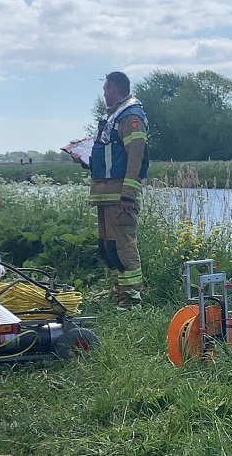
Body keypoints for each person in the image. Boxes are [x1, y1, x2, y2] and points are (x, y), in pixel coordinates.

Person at [72, 71, 149, 310]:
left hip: (119, 194)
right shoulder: (112, 117)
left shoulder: (131, 116)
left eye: (106, 89)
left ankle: (133, 299)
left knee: (123, 247)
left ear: (116, 89)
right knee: (109, 248)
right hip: (104, 193)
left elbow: (135, 157)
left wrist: (128, 193)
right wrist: (87, 159)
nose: (104, 93)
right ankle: (119, 293)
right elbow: (109, 156)